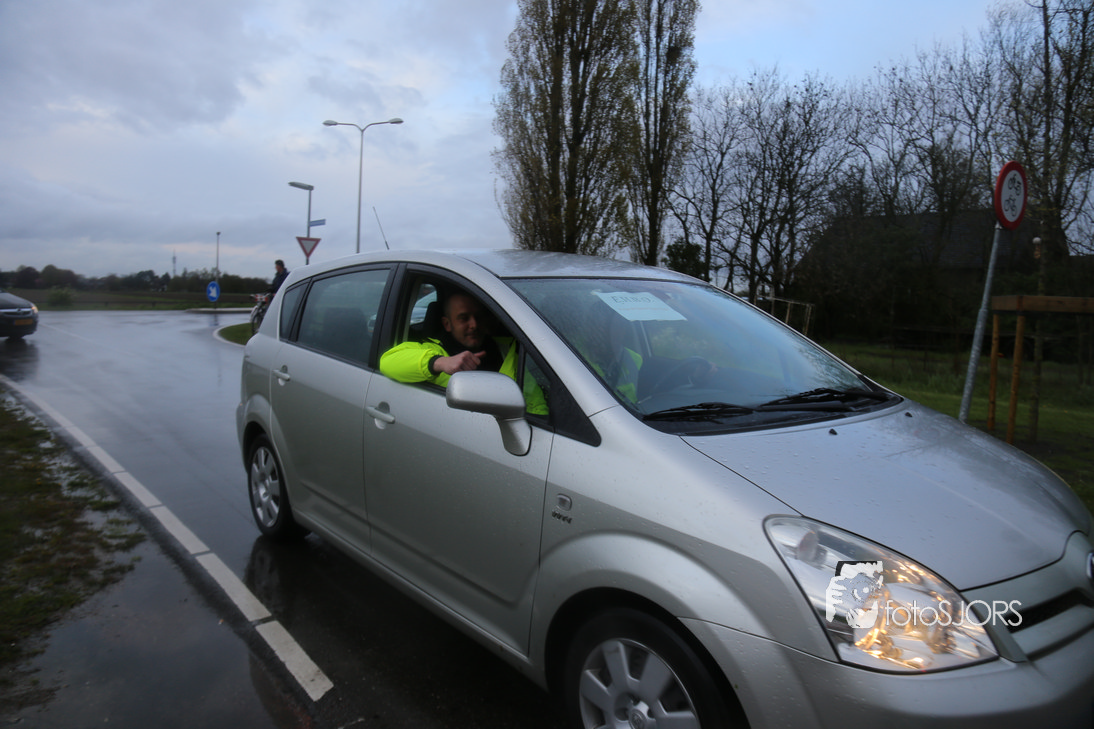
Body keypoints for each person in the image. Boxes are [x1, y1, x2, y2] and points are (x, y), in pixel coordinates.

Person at [380, 290, 547, 414]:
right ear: (447, 324)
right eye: (464, 318)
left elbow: (534, 402)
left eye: (478, 317)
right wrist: (440, 363)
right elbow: (388, 361)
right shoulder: (433, 350)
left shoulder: (510, 350)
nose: (474, 325)